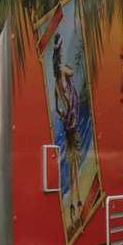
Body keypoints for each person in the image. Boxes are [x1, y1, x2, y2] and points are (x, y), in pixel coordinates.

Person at [52, 33, 83, 224]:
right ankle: (76, 201)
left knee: (73, 164)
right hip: (73, 128)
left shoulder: (61, 83)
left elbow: (58, 108)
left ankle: (74, 201)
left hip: (69, 127)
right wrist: (59, 51)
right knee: (74, 165)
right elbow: (66, 69)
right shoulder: (63, 77)